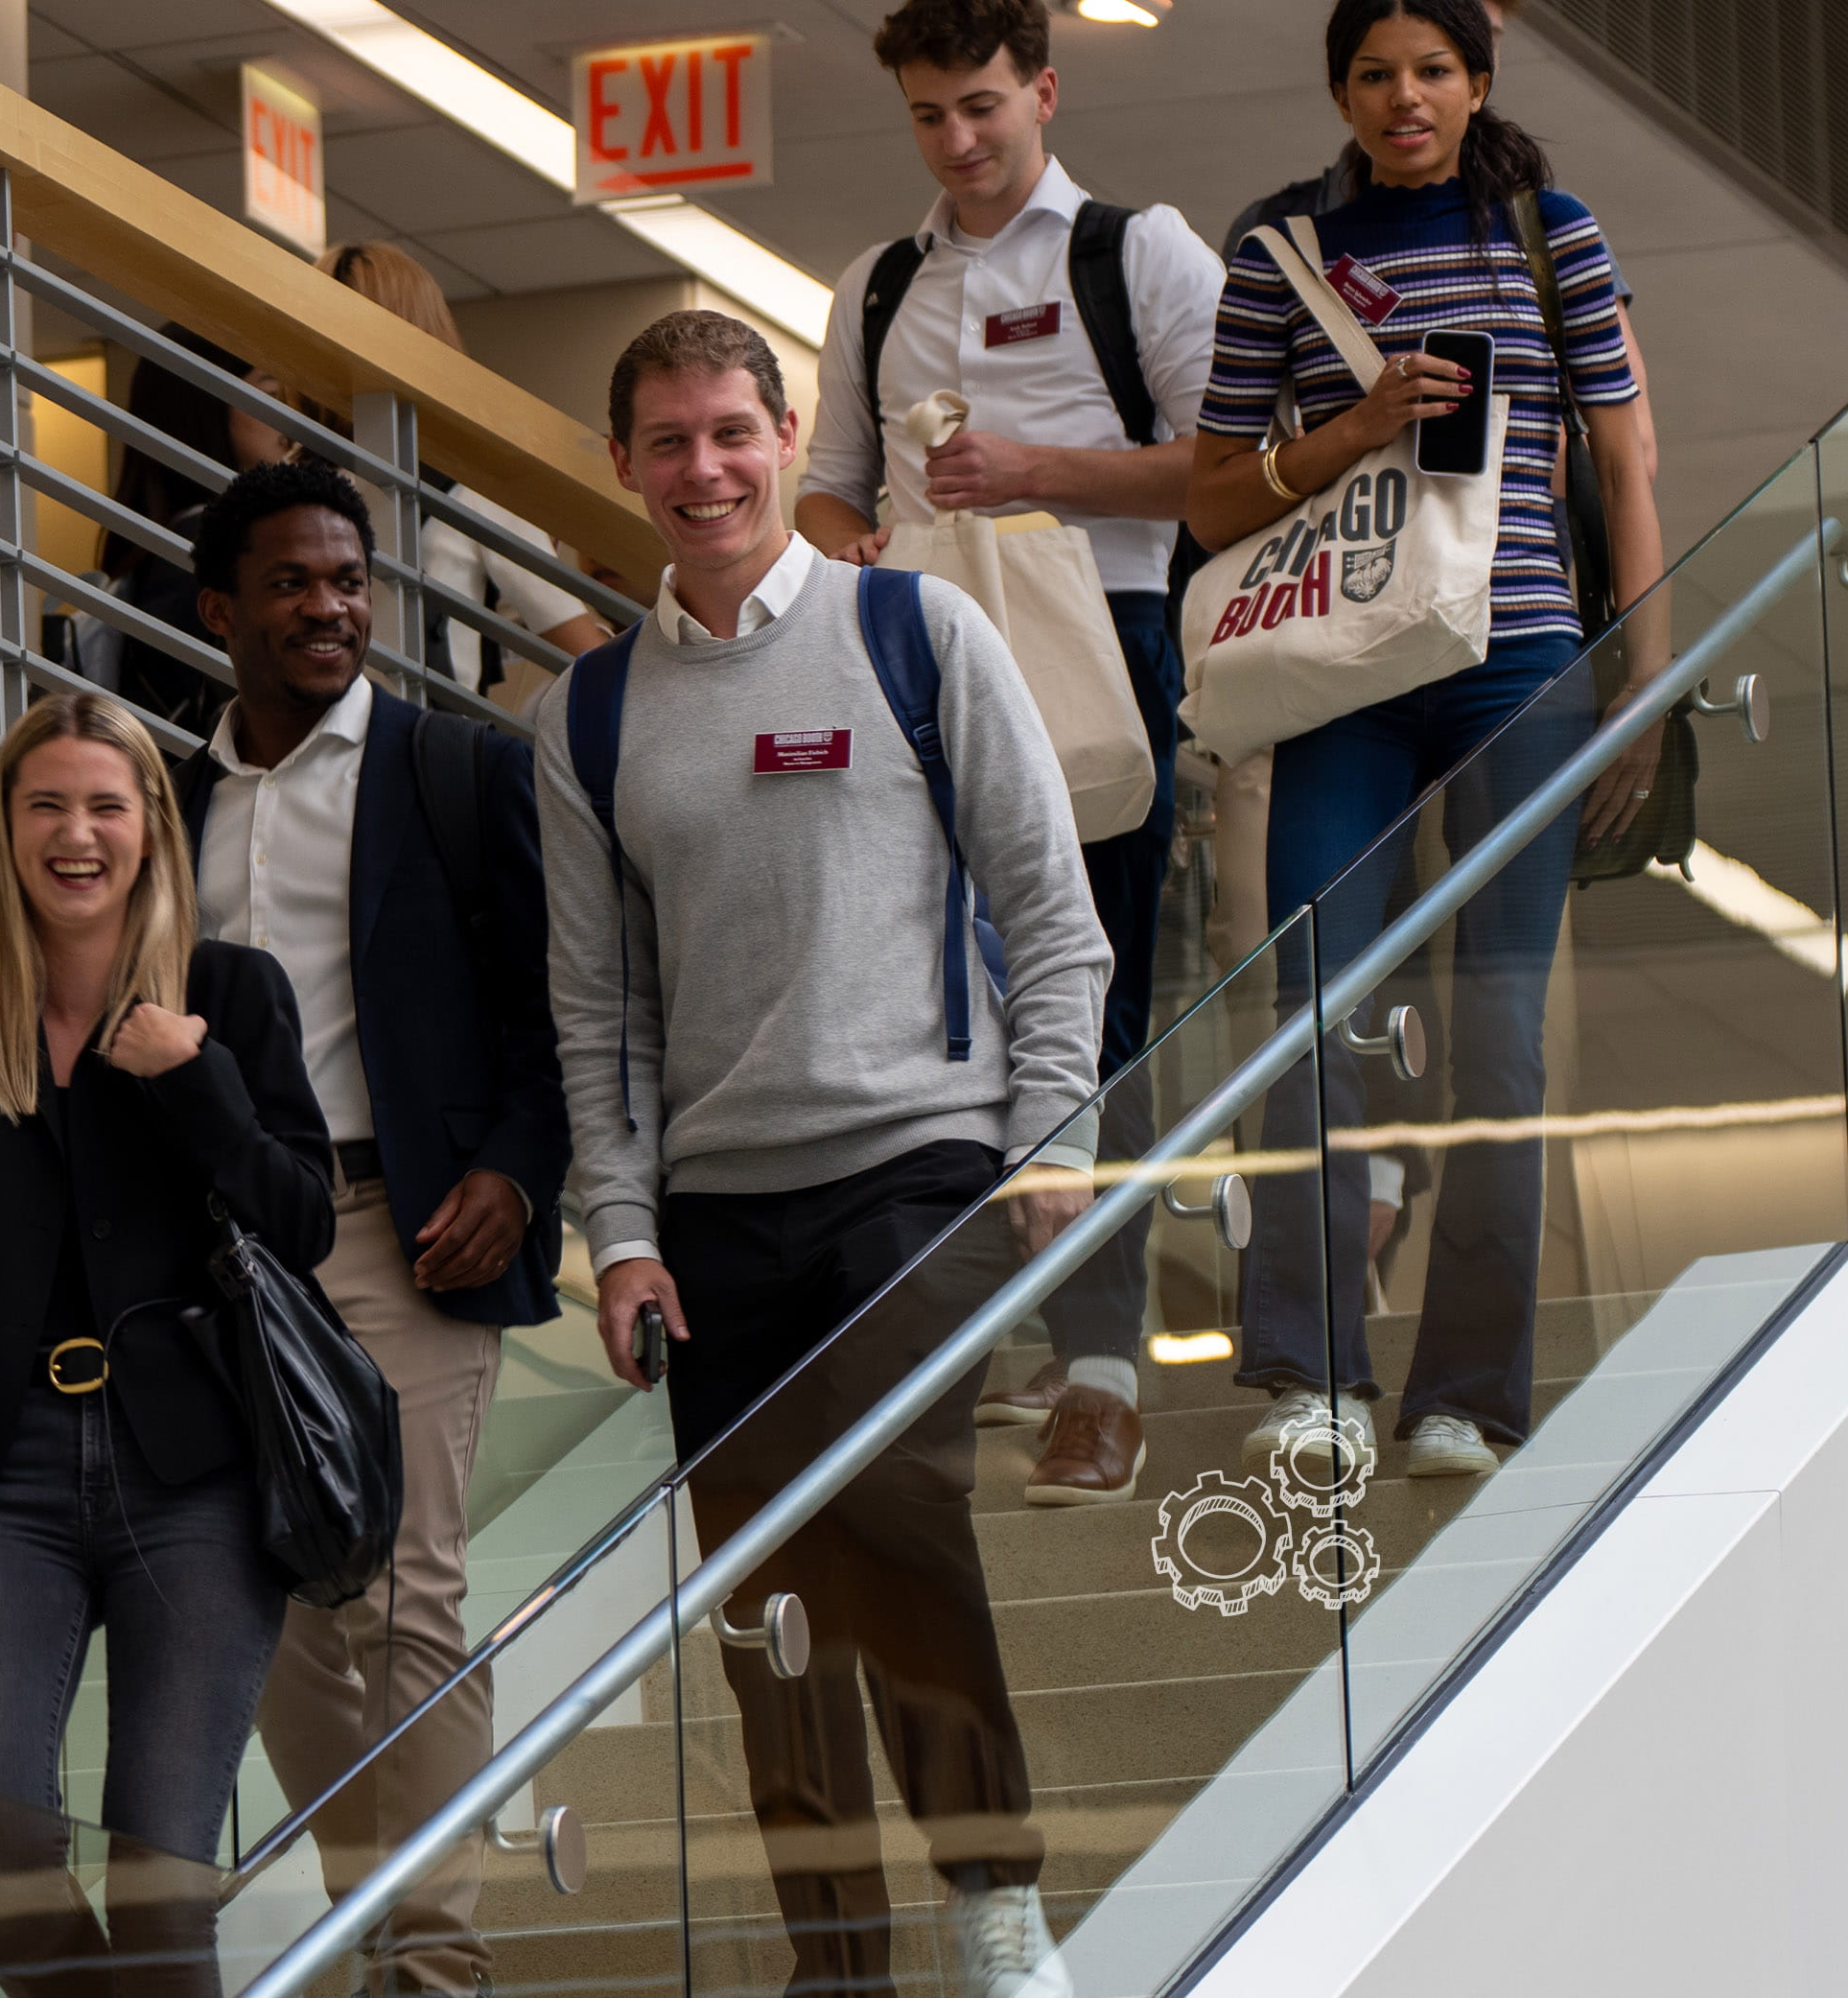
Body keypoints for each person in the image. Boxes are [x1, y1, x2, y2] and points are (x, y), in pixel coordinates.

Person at [542, 309, 1106, 1998]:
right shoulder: (588, 714)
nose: (704, 469)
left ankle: (993, 1890)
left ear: (791, 437)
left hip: (921, 1166)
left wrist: (1049, 1137)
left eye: (733, 431)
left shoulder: (915, 630)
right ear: (625, 464)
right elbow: (598, 1012)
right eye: (668, 441)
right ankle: (835, 1957)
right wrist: (623, 1231)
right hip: (718, 1210)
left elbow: (1053, 916)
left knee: (897, 1505)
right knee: (758, 1587)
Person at [0, 693, 339, 1998]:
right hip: (0, 1471)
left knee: (159, 1870)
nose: (75, 832)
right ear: (4, 828)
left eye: (105, 804)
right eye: (46, 805)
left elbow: (304, 1219)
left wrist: (191, 1077)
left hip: (195, 1472)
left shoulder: (230, 995)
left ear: (151, 827)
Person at [1181, 0, 1663, 1487]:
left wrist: (1645, 678)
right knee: (1312, 1001)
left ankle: (1465, 1390)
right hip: (1348, 670)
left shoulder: (1548, 228)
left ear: (1478, 81)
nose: (1405, 98)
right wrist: (1358, 423)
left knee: (1499, 1040)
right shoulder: (1279, 245)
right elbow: (1210, 498)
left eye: (1433, 72)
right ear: (1340, 88)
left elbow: (1631, 459)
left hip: (1522, 662)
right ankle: (1311, 1368)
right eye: (1377, 74)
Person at [794, 0, 1225, 1507]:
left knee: (1087, 997)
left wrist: (1033, 474)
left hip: (1100, 651)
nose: (960, 140)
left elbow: (1231, 468)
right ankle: (1000, 1329)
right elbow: (825, 493)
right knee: (933, 1012)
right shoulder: (879, 283)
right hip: (922, 666)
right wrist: (868, 541)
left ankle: (1104, 1370)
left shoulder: (1135, 250)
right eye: (929, 115)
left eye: (982, 105)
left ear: (1043, 89)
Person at [162, 458, 565, 1998]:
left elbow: (556, 1010)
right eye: (292, 583)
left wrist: (521, 1174)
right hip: (222, 1245)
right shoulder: (170, 796)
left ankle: (434, 1964)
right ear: (221, 609)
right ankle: (369, 1891)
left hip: (412, 1227)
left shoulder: (454, 771)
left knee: (411, 1590)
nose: (331, 607)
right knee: (252, 1592)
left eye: (350, 581)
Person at [321, 243, 615, 699]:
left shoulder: (300, 477)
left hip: (336, 740)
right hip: (422, 737)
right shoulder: (474, 487)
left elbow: (575, 640)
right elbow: (583, 646)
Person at [97, 327, 305, 734]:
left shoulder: (166, 544)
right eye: (276, 395)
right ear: (205, 403)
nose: (295, 418)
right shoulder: (206, 546)